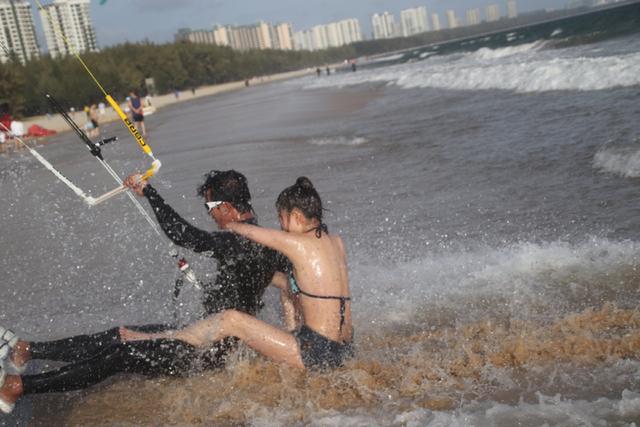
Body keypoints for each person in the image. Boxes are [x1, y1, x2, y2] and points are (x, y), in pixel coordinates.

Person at [0, 170, 290, 414]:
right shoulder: (265, 241)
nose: (210, 215)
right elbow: (291, 285)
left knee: (118, 354)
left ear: (226, 207)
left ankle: (19, 387)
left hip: (205, 353)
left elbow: (183, 234)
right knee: (118, 334)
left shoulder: (239, 242)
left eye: (209, 207)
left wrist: (151, 193)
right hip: (203, 336)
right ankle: (29, 349)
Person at [118, 177, 353, 371]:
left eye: (282, 219)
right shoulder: (336, 242)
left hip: (317, 352)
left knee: (232, 319)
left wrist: (232, 228)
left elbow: (255, 235)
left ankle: (156, 338)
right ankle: (292, 339)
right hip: (345, 348)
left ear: (298, 217)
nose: (281, 226)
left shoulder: (297, 244)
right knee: (287, 284)